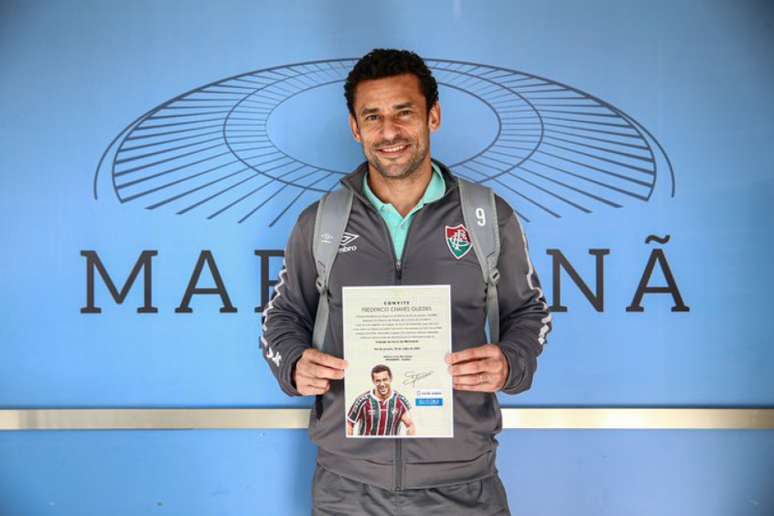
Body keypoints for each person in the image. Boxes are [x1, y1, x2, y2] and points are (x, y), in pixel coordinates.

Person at [262, 48, 552, 516]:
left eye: (404, 113)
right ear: (355, 128)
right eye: (372, 117)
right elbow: (283, 317)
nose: (389, 132)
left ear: (432, 116)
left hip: (463, 489)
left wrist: (509, 361)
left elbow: (529, 314)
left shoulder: (485, 217)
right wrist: (294, 365)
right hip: (348, 491)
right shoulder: (322, 223)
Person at [347, 364, 415, 437]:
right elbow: (349, 424)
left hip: (390, 446)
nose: (382, 384)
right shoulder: (362, 400)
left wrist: (407, 442)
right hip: (367, 447)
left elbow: (410, 426)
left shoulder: (400, 401)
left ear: (391, 378)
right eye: (378, 381)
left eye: (385, 379)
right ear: (373, 381)